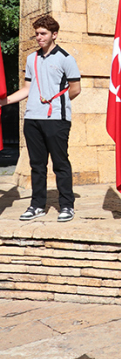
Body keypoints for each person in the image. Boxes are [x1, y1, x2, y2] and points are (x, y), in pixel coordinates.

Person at [2, 15, 81, 222]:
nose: (39, 37)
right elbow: (27, 89)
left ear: (54, 34)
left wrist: (57, 103)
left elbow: (75, 89)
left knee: (60, 163)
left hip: (57, 119)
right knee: (37, 165)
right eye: (37, 33)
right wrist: (4, 101)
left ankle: (67, 205)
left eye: (43, 33)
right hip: (32, 119)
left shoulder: (66, 58)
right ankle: (37, 205)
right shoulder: (31, 59)